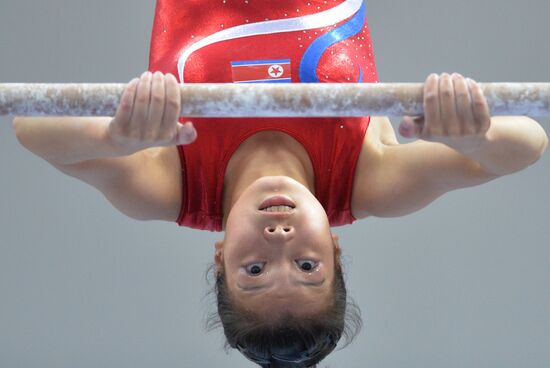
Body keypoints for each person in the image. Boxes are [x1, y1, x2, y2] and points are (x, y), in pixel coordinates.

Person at [11, 0, 549, 366]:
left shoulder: (169, 185)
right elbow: (526, 145)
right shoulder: (368, 180)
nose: (280, 241)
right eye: (308, 267)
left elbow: (31, 127)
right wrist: (470, 133)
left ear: (219, 256)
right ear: (335, 249)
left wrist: (114, 138)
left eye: (254, 271)